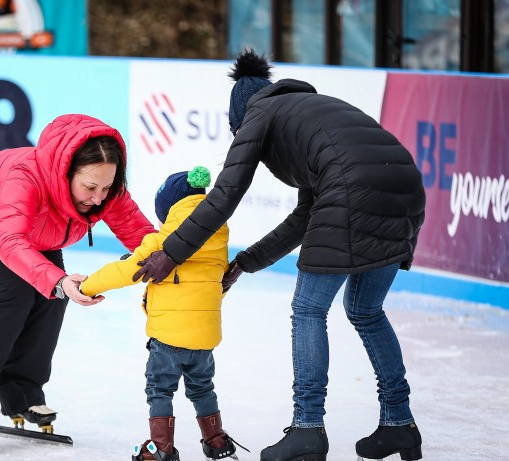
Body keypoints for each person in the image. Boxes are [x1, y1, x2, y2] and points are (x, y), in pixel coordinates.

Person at [134, 50, 426, 461]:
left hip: (354, 188)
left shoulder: (259, 114)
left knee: (308, 310)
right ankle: (399, 423)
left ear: (240, 119)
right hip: (406, 189)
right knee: (366, 310)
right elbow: (306, 215)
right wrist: (243, 263)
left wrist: (172, 252)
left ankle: (308, 427)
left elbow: (224, 195)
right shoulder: (310, 112)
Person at [0, 114, 156, 433]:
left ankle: (23, 394)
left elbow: (140, 234)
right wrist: (59, 279)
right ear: (66, 173)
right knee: (11, 294)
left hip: (34, 231)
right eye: (90, 187)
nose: (99, 198)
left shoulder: (105, 190)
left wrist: (171, 258)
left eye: (106, 187)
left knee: (52, 297)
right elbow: (11, 242)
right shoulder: (25, 179)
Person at [80, 166, 247, 461]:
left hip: (168, 339)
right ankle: (216, 440)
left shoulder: (160, 241)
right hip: (204, 339)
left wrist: (89, 285)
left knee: (160, 391)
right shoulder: (219, 241)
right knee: (202, 388)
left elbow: (125, 271)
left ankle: (161, 448)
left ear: (169, 211)